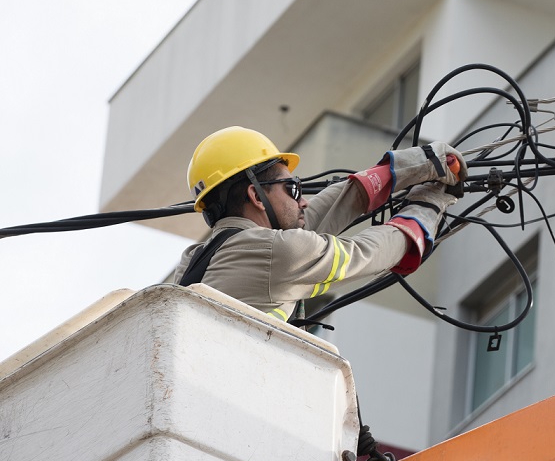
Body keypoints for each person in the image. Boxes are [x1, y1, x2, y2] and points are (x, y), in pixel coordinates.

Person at [174, 125, 465, 322]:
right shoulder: (273, 253)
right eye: (292, 189)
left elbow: (319, 216)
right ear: (257, 196)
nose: (303, 201)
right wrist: (430, 204)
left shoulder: (194, 262)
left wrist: (417, 165)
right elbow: (368, 254)